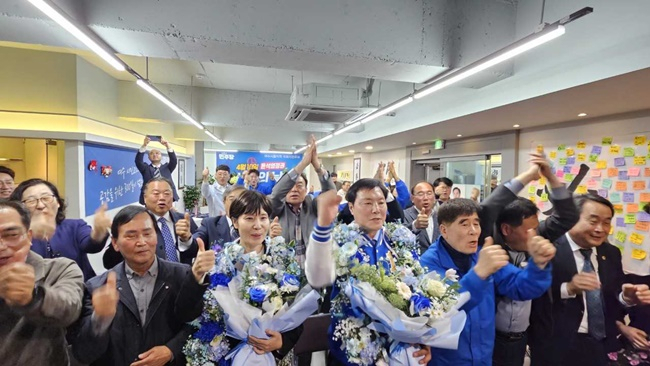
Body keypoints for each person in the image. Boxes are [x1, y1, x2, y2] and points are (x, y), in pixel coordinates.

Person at [305, 179, 432, 366]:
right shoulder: (338, 241)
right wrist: (322, 227)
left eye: (381, 203)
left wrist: (424, 338)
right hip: (351, 350)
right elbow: (317, 277)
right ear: (351, 207)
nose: (376, 209)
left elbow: (418, 287)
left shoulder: (400, 239)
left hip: (400, 349)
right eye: (367, 203)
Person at [72, 205, 213, 365]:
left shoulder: (183, 276)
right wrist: (100, 319)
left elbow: (197, 324)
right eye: (131, 236)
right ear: (115, 243)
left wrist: (171, 350)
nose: (141, 242)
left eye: (147, 234)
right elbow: (83, 354)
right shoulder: (97, 288)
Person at [529, 194, 650, 366]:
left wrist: (626, 298)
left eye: (606, 222)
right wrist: (568, 289)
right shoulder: (549, 249)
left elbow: (612, 298)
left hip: (601, 345)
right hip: (555, 345)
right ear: (572, 219)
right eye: (593, 221)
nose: (600, 229)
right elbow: (532, 296)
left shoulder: (611, 253)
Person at [492, 155, 580, 366]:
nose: (535, 235)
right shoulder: (488, 243)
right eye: (529, 230)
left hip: (525, 338)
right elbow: (489, 206)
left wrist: (549, 175)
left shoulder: (537, 236)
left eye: (536, 227)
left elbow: (567, 216)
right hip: (490, 336)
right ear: (506, 229)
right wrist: (529, 176)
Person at [216, 190, 304, 362]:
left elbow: (299, 310)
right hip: (234, 353)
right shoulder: (222, 260)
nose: (258, 225)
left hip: (276, 354)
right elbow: (212, 314)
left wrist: (281, 342)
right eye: (249, 218)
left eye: (263, 218)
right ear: (235, 222)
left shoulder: (284, 256)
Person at [0, 200, 84, 366]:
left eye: (11, 235)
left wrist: (33, 297)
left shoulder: (58, 269)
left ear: (28, 236)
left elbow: (69, 308)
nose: (1, 246)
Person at [10, 179, 111, 280]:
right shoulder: (13, 234)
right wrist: (27, 232)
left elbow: (91, 246)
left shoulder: (75, 226)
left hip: (80, 291)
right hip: (35, 292)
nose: (40, 205)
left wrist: (99, 231)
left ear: (58, 202)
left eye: (46, 198)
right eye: (31, 201)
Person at [102, 177, 198, 269]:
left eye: (166, 193)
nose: (162, 198)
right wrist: (119, 236)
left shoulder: (184, 220)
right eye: (156, 194)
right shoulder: (133, 222)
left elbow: (198, 251)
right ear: (145, 198)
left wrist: (187, 240)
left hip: (183, 279)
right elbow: (109, 263)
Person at [268, 136, 334, 267]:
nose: (294, 190)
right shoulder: (277, 209)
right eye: (290, 187)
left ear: (307, 189)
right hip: (285, 272)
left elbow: (330, 194)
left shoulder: (313, 206)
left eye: (299, 186)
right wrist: (303, 163)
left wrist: (317, 167)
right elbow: (276, 195)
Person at [135, 136, 178, 205]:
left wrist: (167, 145)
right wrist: (144, 145)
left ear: (161, 156)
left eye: (157, 153)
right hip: (151, 199)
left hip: (166, 198)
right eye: (152, 153)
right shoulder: (145, 168)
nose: (155, 155)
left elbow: (174, 160)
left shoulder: (167, 167)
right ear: (148, 157)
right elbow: (138, 161)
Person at [404, 181, 439, 254]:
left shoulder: (440, 216)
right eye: (420, 194)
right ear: (412, 198)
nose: (426, 198)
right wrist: (415, 226)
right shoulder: (404, 215)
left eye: (429, 193)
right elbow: (398, 236)